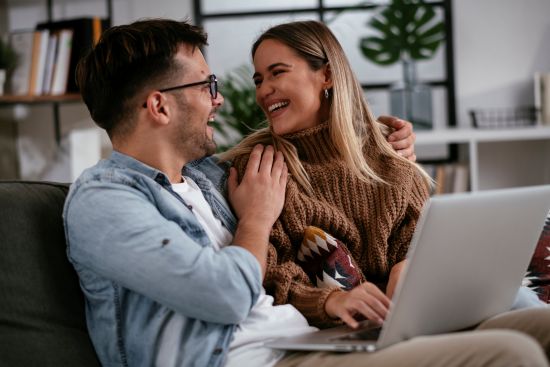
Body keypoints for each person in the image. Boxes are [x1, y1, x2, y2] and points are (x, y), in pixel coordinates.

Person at [64, 18, 550, 367]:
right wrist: (256, 222)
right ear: (159, 106)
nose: (223, 98)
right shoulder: (105, 200)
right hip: (258, 358)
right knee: (513, 355)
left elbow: (325, 161)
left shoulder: (208, 177)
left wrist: (377, 139)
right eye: (207, 84)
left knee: (538, 330)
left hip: (314, 342)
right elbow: (226, 293)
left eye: (275, 73)